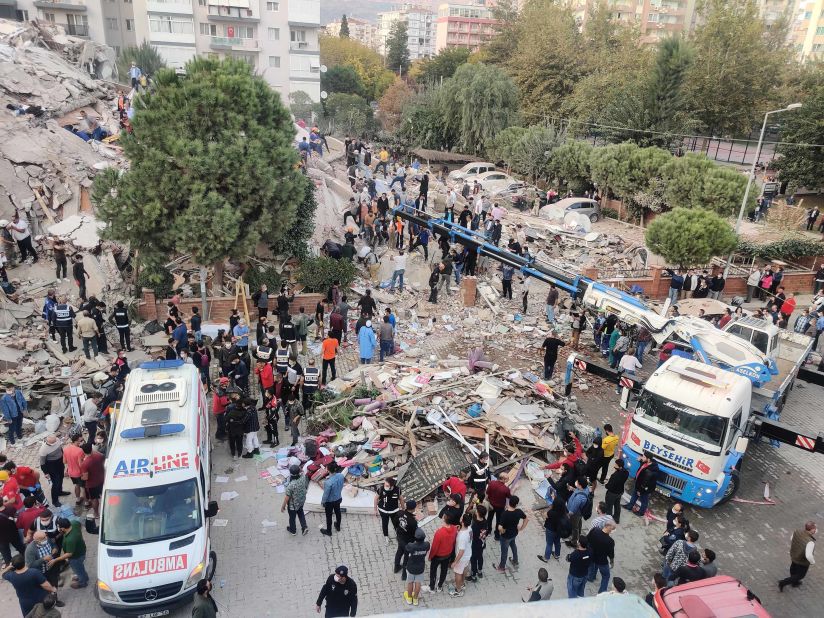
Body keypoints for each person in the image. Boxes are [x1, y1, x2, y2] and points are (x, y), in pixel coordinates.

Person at [779, 521, 817, 591]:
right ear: (811, 530)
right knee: (800, 575)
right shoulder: (810, 542)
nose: (816, 530)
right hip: (802, 561)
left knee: (793, 567)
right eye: (815, 528)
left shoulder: (797, 531)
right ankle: (783, 582)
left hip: (794, 554)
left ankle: (794, 583)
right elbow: (808, 555)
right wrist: (812, 562)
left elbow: (792, 539)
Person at [52, 517, 87, 588]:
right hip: (81, 550)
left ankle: (82, 582)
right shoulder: (74, 524)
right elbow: (79, 523)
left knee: (77, 569)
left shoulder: (70, 540)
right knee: (80, 567)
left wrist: (55, 560)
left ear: (63, 528)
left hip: (75, 557)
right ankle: (84, 576)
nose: (58, 529)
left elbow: (69, 554)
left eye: (59, 527)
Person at [495, 495, 528, 573]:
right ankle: (515, 561)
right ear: (516, 504)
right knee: (513, 545)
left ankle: (502, 567)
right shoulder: (519, 511)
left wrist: (502, 531)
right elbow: (526, 519)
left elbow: (500, 527)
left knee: (504, 552)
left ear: (509, 502)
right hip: (514, 534)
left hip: (505, 536)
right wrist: (522, 528)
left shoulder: (505, 514)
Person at [428, 515, 457, 592]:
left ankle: (432, 587)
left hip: (437, 556)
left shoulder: (439, 532)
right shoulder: (454, 529)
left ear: (444, 520)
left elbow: (434, 547)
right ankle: (440, 585)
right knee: (444, 571)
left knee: (433, 571)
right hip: (447, 555)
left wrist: (430, 557)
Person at [624, 451, 658, 516]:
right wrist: (640, 461)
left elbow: (645, 482)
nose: (642, 457)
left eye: (644, 457)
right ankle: (629, 506)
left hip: (644, 488)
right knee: (634, 495)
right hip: (638, 484)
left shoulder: (650, 471)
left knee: (644, 500)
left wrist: (640, 490)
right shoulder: (647, 463)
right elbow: (643, 466)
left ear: (648, 459)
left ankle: (641, 512)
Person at [587, 522, 616, 594]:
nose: (614, 530)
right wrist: (612, 561)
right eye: (613, 529)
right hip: (602, 560)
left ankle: (590, 577)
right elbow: (610, 553)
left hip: (591, 555)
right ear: (609, 528)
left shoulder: (594, 530)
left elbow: (587, 539)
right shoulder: (610, 541)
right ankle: (601, 592)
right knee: (606, 576)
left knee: (591, 567)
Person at [38, 436, 67, 508]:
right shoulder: (43, 450)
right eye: (53, 443)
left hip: (60, 463)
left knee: (61, 477)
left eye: (55, 442)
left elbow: (60, 449)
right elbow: (42, 463)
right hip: (52, 466)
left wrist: (64, 457)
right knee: (56, 483)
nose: (55, 443)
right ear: (48, 442)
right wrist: (46, 473)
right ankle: (55, 501)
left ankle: (60, 492)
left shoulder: (56, 440)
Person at [281, 464, 309, 536]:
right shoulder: (303, 477)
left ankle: (293, 530)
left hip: (293, 505)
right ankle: (304, 527)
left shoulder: (291, 485)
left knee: (292, 518)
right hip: (301, 501)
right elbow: (305, 482)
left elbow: (287, 497)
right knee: (300, 512)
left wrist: (283, 506)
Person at [538, 496, 567, 563]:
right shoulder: (563, 511)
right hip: (559, 529)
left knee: (549, 544)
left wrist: (550, 508)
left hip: (550, 530)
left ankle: (546, 558)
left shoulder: (551, 512)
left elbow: (544, 515)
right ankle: (557, 555)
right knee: (557, 542)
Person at [404, 528, 429, 606]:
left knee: (410, 582)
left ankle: (409, 598)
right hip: (420, 567)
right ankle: (415, 599)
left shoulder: (411, 546)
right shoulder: (427, 545)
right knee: (418, 583)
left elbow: (406, 548)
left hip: (411, 567)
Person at [394, 499, 418, 579]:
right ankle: (404, 574)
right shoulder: (413, 522)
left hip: (400, 537)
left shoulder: (400, 513)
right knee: (406, 557)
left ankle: (396, 567)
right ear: (414, 509)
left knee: (399, 552)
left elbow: (395, 523)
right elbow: (414, 533)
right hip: (408, 541)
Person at [79, 443, 104, 519]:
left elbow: (85, 478)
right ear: (91, 449)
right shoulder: (99, 456)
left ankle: (96, 514)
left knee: (94, 499)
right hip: (101, 479)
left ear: (83, 451)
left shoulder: (85, 464)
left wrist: (81, 477)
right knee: (103, 495)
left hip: (92, 484)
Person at [319, 463, 344, 537]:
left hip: (330, 502)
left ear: (328, 470)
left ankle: (329, 531)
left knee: (329, 516)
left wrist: (322, 502)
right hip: (338, 498)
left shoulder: (328, 482)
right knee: (338, 512)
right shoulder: (341, 476)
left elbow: (325, 495)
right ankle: (338, 526)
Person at [565, 477, 590, 547]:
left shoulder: (579, 498)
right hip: (580, 513)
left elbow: (573, 509)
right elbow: (578, 490)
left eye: (577, 482)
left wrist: (568, 515)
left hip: (575, 514)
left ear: (580, 485)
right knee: (578, 523)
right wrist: (573, 489)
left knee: (574, 527)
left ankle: (574, 542)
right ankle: (578, 533)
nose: (576, 482)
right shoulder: (586, 488)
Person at [375, 477, 401, 543]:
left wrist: (403, 508)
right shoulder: (381, 489)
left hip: (394, 511)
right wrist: (375, 510)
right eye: (385, 484)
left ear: (391, 486)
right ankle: (386, 536)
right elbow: (376, 499)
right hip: (383, 511)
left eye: (387, 485)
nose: (385, 486)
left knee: (396, 524)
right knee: (385, 523)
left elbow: (401, 499)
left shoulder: (397, 490)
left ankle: (398, 536)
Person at [603, 459, 629, 524]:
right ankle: (617, 519)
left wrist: (606, 485)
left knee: (609, 507)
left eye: (615, 464)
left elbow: (609, 486)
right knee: (617, 505)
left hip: (612, 493)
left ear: (619, 466)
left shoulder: (615, 476)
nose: (614, 465)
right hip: (619, 492)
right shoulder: (626, 472)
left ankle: (608, 522)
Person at [467, 504, 487, 582]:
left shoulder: (475, 526)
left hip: (474, 544)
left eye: (476, 510)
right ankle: (480, 571)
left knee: (473, 560)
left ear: (478, 513)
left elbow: (471, 536)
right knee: (480, 557)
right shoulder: (485, 521)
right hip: (482, 543)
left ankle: (474, 575)